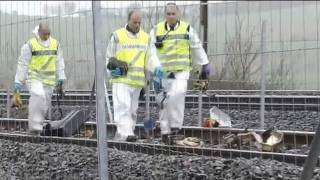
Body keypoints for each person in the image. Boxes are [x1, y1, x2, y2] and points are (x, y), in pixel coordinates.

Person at [149, 3, 211, 144]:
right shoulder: (156, 30)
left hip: (181, 72)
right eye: (168, 14)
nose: (171, 16)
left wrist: (204, 63)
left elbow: (196, 45)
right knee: (163, 102)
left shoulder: (187, 29)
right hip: (162, 74)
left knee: (177, 95)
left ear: (178, 14)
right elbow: (150, 51)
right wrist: (156, 67)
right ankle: (165, 132)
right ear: (165, 15)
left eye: (173, 14)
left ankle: (176, 128)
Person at [105, 10, 163, 141]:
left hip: (136, 82)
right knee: (123, 107)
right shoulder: (117, 36)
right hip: (120, 80)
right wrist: (111, 72)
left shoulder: (145, 37)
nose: (137, 25)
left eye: (139, 22)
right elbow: (109, 57)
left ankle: (126, 135)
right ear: (128, 21)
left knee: (132, 110)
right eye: (134, 22)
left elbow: (150, 57)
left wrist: (156, 67)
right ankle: (126, 135)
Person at [12, 22, 66, 135]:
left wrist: (61, 77)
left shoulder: (55, 44)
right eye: (44, 34)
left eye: (48, 34)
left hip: (49, 81)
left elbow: (59, 61)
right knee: (38, 96)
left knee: (43, 106)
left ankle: (37, 129)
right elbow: (23, 63)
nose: (46, 36)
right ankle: (35, 129)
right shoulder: (30, 44)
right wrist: (18, 82)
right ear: (39, 32)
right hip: (34, 78)